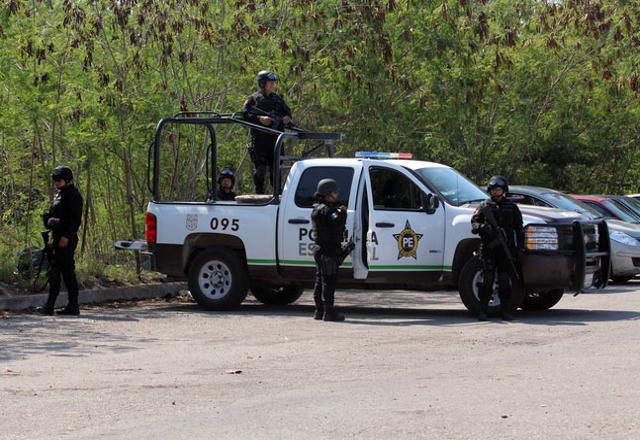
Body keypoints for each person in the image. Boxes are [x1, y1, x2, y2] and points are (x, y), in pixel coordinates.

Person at [470, 175, 524, 321]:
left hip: (506, 249)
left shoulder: (511, 207)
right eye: (493, 189)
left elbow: (519, 229)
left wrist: (520, 248)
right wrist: (484, 227)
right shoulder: (484, 206)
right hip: (489, 248)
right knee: (487, 278)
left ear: (503, 190)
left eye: (498, 189)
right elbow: (474, 225)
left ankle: (506, 310)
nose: (495, 191)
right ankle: (483, 310)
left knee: (504, 279)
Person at [37, 165, 83, 316]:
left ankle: (49, 306)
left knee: (54, 271)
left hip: (66, 239)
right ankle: (73, 306)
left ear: (67, 180)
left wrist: (66, 236)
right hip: (58, 237)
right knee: (68, 272)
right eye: (55, 180)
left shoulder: (73, 195)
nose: (56, 183)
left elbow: (75, 220)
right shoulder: (61, 195)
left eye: (59, 180)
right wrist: (53, 235)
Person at [242, 70, 292, 194]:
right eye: (269, 82)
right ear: (262, 84)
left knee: (276, 169)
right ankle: (259, 194)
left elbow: (287, 112)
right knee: (261, 169)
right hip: (260, 139)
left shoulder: (278, 99)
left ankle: (277, 194)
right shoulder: (253, 99)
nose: (272, 85)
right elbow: (245, 114)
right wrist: (260, 119)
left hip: (276, 139)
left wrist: (287, 118)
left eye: (272, 83)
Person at [311, 179, 348, 322]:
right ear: (327, 194)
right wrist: (343, 212)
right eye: (334, 192)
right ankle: (329, 312)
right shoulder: (328, 211)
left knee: (319, 280)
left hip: (319, 249)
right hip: (329, 250)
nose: (337, 194)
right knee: (328, 281)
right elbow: (337, 220)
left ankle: (318, 311)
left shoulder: (317, 209)